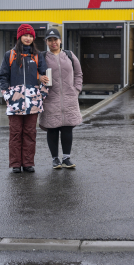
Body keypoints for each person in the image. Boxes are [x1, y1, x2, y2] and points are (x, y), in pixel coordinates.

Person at [0, 24, 49, 173]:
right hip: (15, 101)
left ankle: (28, 163)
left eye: (30, 36)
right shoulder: (10, 54)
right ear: (19, 37)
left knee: (30, 132)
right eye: (25, 35)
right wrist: (7, 95)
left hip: (33, 101)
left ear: (33, 38)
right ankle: (15, 164)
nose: (28, 38)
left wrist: (42, 94)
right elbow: (3, 76)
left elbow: (46, 76)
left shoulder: (37, 55)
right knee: (15, 134)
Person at [38, 28, 83, 169]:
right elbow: (36, 73)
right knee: (52, 128)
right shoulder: (42, 57)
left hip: (69, 98)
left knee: (67, 128)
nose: (53, 42)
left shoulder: (69, 55)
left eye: (55, 39)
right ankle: (55, 159)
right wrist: (40, 79)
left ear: (60, 40)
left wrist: (76, 89)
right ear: (46, 42)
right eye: (50, 40)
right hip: (50, 98)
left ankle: (66, 158)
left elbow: (79, 74)